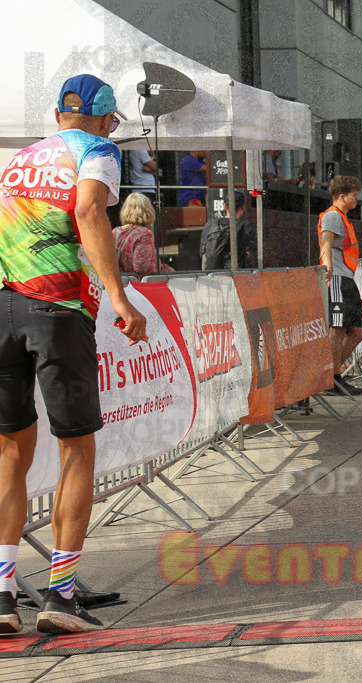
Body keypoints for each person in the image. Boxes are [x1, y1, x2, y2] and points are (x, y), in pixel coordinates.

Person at [0, 74, 147, 635]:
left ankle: (3, 595)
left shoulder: (19, 159)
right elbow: (89, 212)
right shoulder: (97, 150)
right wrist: (119, 296)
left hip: (4, 303)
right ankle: (61, 597)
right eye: (113, 121)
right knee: (76, 449)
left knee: (10, 451)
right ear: (105, 119)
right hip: (57, 306)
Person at [318, 176, 362, 397]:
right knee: (337, 329)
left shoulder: (341, 218)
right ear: (342, 196)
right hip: (337, 277)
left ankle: (331, 374)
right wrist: (328, 267)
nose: (357, 199)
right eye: (354, 195)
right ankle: (331, 379)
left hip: (345, 276)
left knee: (358, 330)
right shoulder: (332, 216)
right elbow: (326, 242)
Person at [113, 193, 173, 275]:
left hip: (120, 281)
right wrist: (165, 269)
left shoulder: (115, 232)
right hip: (137, 283)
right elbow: (142, 266)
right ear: (147, 210)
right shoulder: (144, 234)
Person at [200, 190, 257, 270]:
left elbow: (202, 252)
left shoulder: (211, 225)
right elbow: (255, 254)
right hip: (236, 276)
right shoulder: (246, 227)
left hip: (212, 275)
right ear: (242, 208)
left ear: (225, 206)